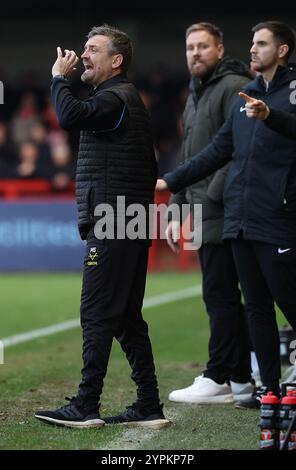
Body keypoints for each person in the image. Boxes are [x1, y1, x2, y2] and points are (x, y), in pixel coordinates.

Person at [35, 24, 170, 428]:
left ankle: (86, 404)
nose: (84, 55)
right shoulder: (121, 98)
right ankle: (148, 404)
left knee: (96, 311)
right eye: (84, 47)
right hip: (127, 217)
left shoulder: (117, 96)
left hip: (115, 218)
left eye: (93, 49)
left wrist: (59, 78)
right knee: (126, 317)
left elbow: (68, 116)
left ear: (117, 61)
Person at [156, 21, 296, 409]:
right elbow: (214, 152)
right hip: (239, 217)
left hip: (276, 216)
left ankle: (252, 376)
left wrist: (271, 116)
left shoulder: (287, 92)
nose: (253, 49)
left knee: (286, 299)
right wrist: (170, 183)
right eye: (251, 42)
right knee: (255, 308)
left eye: (262, 43)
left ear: (282, 50)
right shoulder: (243, 95)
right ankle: (268, 389)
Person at [166, 22, 254, 405]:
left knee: (221, 295)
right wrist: (175, 209)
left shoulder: (233, 86)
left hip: (225, 210)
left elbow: (235, 150)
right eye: (190, 47)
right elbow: (190, 156)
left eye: (203, 46)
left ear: (220, 50)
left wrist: (206, 202)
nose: (195, 53)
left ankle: (220, 375)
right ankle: (239, 375)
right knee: (223, 296)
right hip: (206, 211)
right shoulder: (197, 92)